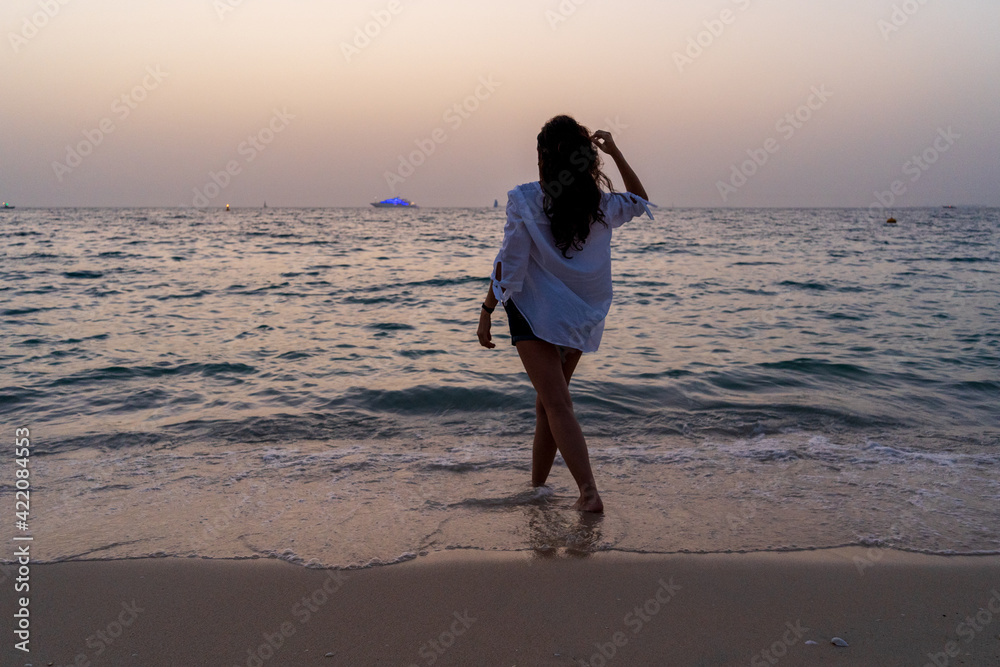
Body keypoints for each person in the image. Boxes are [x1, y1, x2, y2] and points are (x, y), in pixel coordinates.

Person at [477, 115, 652, 513]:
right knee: (548, 404)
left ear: (545, 158)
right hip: (576, 315)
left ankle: (589, 492)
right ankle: (537, 488)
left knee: (556, 405)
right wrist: (617, 152)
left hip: (534, 315)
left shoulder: (525, 199)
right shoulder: (600, 205)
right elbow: (640, 201)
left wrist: (488, 307)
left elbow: (511, 261)